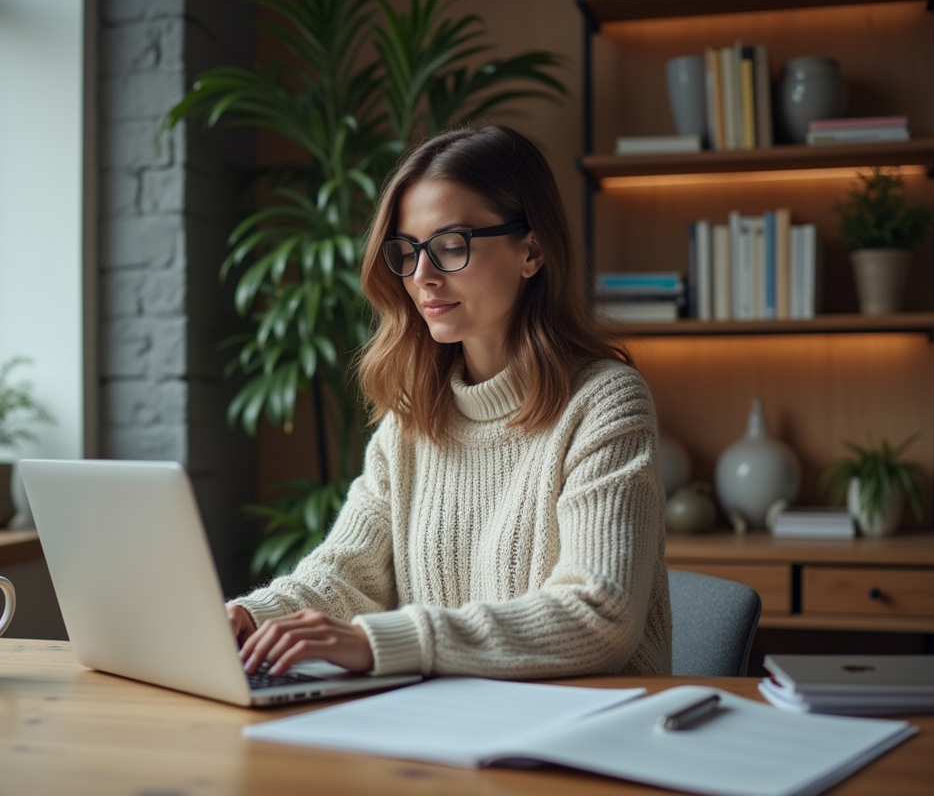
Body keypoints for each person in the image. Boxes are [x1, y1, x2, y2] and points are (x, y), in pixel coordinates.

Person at [227, 123, 671, 680]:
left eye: (451, 246)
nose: (422, 276)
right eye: (407, 251)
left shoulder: (605, 403)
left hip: (594, 734)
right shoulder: (412, 417)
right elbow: (345, 575)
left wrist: (384, 640)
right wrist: (250, 616)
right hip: (450, 728)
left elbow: (598, 616)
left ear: (531, 250)